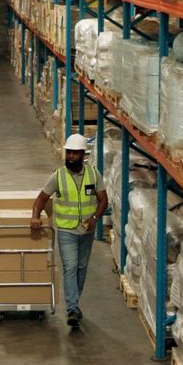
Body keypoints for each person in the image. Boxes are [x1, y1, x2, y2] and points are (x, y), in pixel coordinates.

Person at [30, 133, 109, 329]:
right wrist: (35, 216)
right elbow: (41, 198)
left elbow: (103, 200)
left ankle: (75, 303)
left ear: (83, 155)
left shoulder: (93, 174)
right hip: (66, 231)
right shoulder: (58, 176)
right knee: (70, 268)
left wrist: (95, 218)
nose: (71, 157)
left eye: (75, 153)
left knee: (82, 268)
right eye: (69, 153)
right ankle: (72, 309)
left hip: (87, 231)